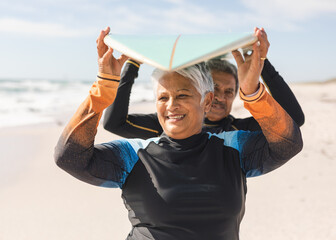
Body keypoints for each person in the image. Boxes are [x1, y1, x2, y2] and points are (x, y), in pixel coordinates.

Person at [54, 27, 303, 240]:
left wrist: (254, 93)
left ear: (206, 101)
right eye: (163, 97)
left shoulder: (234, 146)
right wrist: (103, 91)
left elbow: (288, 143)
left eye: (182, 95)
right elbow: (69, 157)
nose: (171, 105)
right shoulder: (134, 155)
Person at [103, 28, 304, 138]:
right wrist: (133, 62)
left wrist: (261, 63)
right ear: (203, 92)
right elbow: (114, 124)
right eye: (215, 89)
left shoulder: (238, 131)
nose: (220, 97)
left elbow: (293, 121)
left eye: (229, 92)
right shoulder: (171, 122)